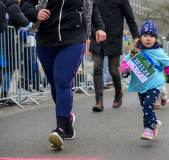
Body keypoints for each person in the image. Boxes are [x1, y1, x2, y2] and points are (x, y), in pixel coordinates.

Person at [21, 0, 106, 150]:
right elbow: (25, 2)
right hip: (45, 40)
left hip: (73, 39)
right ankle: (67, 119)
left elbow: (93, 6)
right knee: (54, 85)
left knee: (62, 82)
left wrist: (99, 27)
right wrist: (35, 13)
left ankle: (60, 130)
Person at [121, 20, 169, 140]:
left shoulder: (159, 51)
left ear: (156, 38)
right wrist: (125, 70)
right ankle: (154, 122)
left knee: (147, 104)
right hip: (142, 84)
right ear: (140, 37)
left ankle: (149, 129)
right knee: (144, 105)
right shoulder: (135, 50)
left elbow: (167, 63)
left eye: (151, 36)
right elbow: (126, 62)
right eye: (145, 36)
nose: (148, 39)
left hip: (155, 83)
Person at [89, 0, 139, 112]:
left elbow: (130, 19)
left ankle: (118, 93)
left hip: (113, 39)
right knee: (97, 67)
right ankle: (99, 101)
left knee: (113, 70)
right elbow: (88, 16)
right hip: (96, 37)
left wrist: (137, 40)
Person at [0, 0, 29, 106]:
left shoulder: (5, 6)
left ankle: (4, 95)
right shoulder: (13, 7)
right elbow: (24, 22)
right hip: (11, 42)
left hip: (5, 41)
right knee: (10, 68)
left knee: (4, 68)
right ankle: (4, 95)